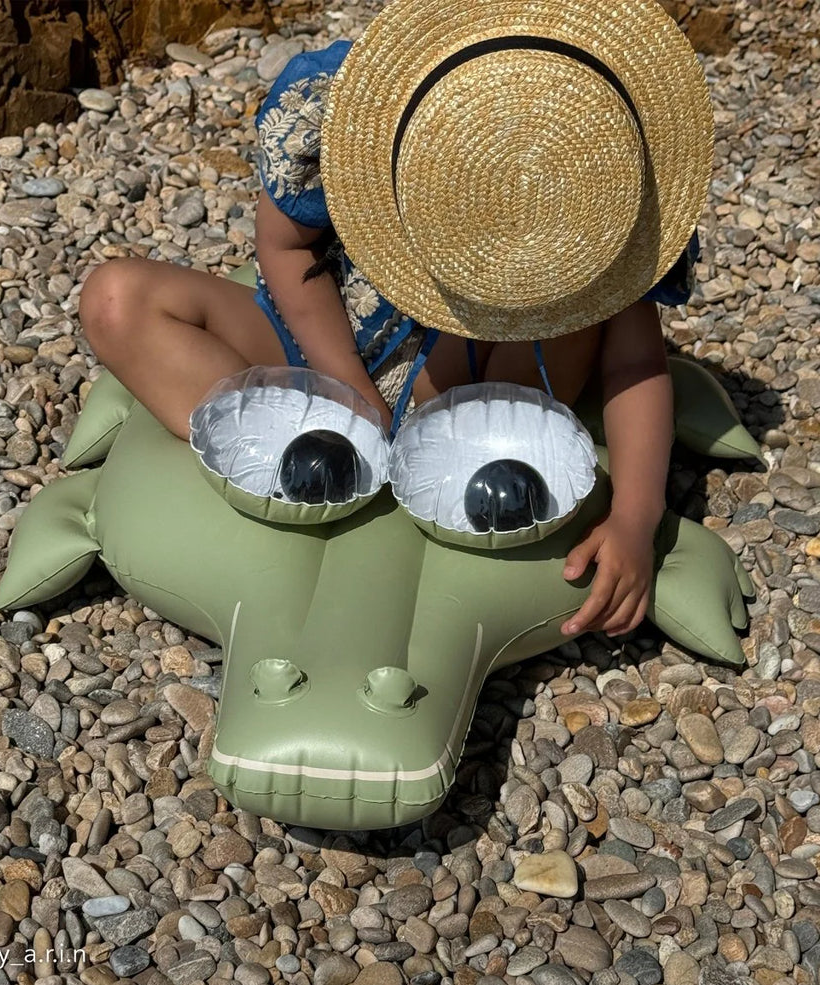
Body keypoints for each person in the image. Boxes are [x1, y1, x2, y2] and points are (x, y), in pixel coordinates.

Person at [77, 0, 713, 643]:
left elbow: (635, 363)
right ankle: (306, 437)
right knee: (115, 299)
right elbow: (289, 250)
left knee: (586, 320)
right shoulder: (341, 110)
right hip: (330, 332)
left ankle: (423, 460)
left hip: (491, 378)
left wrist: (636, 518)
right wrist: (347, 386)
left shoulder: (610, 172)